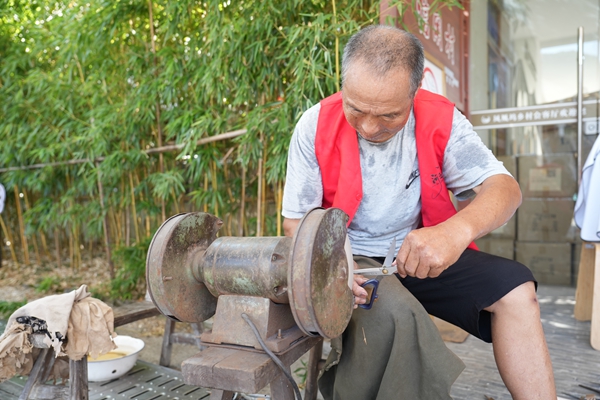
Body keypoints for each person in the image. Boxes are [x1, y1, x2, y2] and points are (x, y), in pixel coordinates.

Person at [282, 25, 556, 399]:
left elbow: (505, 189)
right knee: (396, 314)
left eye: (388, 116)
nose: (368, 127)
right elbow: (296, 219)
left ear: (414, 93)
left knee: (517, 290)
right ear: (343, 84)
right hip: (352, 259)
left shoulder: (441, 119)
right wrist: (331, 265)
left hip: (421, 250)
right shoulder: (314, 125)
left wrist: (454, 233)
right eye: (356, 108)